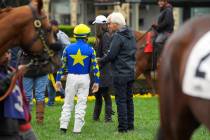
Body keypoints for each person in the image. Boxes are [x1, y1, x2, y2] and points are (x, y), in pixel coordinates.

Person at [56, 24, 100, 134]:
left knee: (68, 102)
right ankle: (77, 129)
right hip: (85, 78)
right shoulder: (90, 49)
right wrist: (97, 82)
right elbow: (95, 67)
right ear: (86, 36)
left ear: (75, 36)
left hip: (71, 77)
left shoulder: (68, 48)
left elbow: (61, 65)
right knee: (81, 103)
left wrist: (57, 79)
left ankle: (63, 127)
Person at [98, 12, 136, 133]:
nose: (108, 25)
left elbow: (111, 55)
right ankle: (130, 125)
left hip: (120, 73)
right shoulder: (131, 34)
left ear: (116, 24)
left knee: (121, 100)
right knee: (129, 99)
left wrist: (100, 61)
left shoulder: (118, 36)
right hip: (130, 72)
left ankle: (122, 128)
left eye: (109, 23)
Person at [0, 50, 37, 140]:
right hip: (5, 127)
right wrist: (14, 75)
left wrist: (26, 113)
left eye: (9, 53)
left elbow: (21, 95)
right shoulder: (13, 73)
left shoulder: (11, 70)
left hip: (22, 124)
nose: (7, 56)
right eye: (4, 53)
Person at [92, 15, 113, 122]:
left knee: (106, 96)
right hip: (99, 71)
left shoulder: (105, 36)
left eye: (96, 25)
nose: (95, 27)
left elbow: (106, 55)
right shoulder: (99, 37)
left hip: (104, 72)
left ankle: (108, 118)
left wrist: (98, 60)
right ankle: (95, 118)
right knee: (98, 96)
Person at [18, 51, 50, 124]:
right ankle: (34, 120)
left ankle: (33, 120)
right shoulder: (42, 41)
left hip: (36, 69)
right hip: (32, 70)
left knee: (31, 96)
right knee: (31, 96)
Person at [47, 20, 71, 106]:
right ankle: (51, 101)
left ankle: (67, 98)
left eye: (51, 26)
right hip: (52, 63)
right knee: (50, 82)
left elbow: (68, 47)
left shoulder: (61, 35)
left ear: (56, 26)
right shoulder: (50, 35)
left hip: (59, 63)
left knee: (55, 82)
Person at [152, 0, 174, 69]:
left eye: (162, 1)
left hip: (166, 32)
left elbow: (166, 22)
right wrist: (156, 26)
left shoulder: (168, 10)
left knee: (157, 41)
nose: (160, 3)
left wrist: (157, 27)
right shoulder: (163, 10)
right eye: (159, 1)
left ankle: (161, 58)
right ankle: (153, 63)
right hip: (162, 31)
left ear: (165, 2)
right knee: (152, 39)